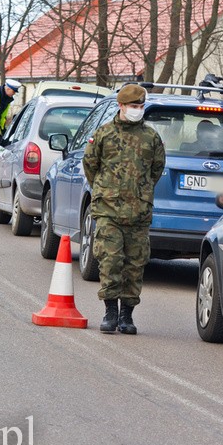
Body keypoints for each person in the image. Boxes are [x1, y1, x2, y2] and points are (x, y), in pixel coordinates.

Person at [83, 84, 165, 335]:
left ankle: (126, 315)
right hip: (108, 210)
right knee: (110, 260)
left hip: (138, 212)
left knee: (135, 264)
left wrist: (141, 193)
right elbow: (90, 165)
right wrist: (106, 190)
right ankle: (109, 312)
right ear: (121, 106)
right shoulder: (104, 134)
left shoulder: (151, 137)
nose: (137, 111)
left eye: (140, 107)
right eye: (133, 107)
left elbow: (157, 169)